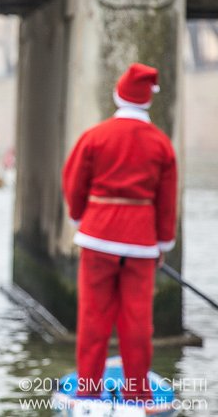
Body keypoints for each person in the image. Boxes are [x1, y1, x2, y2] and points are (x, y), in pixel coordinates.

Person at [62, 63, 177, 402]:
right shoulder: (161, 144)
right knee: (137, 321)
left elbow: (73, 184)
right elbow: (167, 201)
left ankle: (88, 390)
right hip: (141, 242)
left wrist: (80, 219)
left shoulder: (95, 136)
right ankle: (137, 392)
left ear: (118, 96)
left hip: (97, 237)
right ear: (147, 101)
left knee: (93, 317)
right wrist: (162, 243)